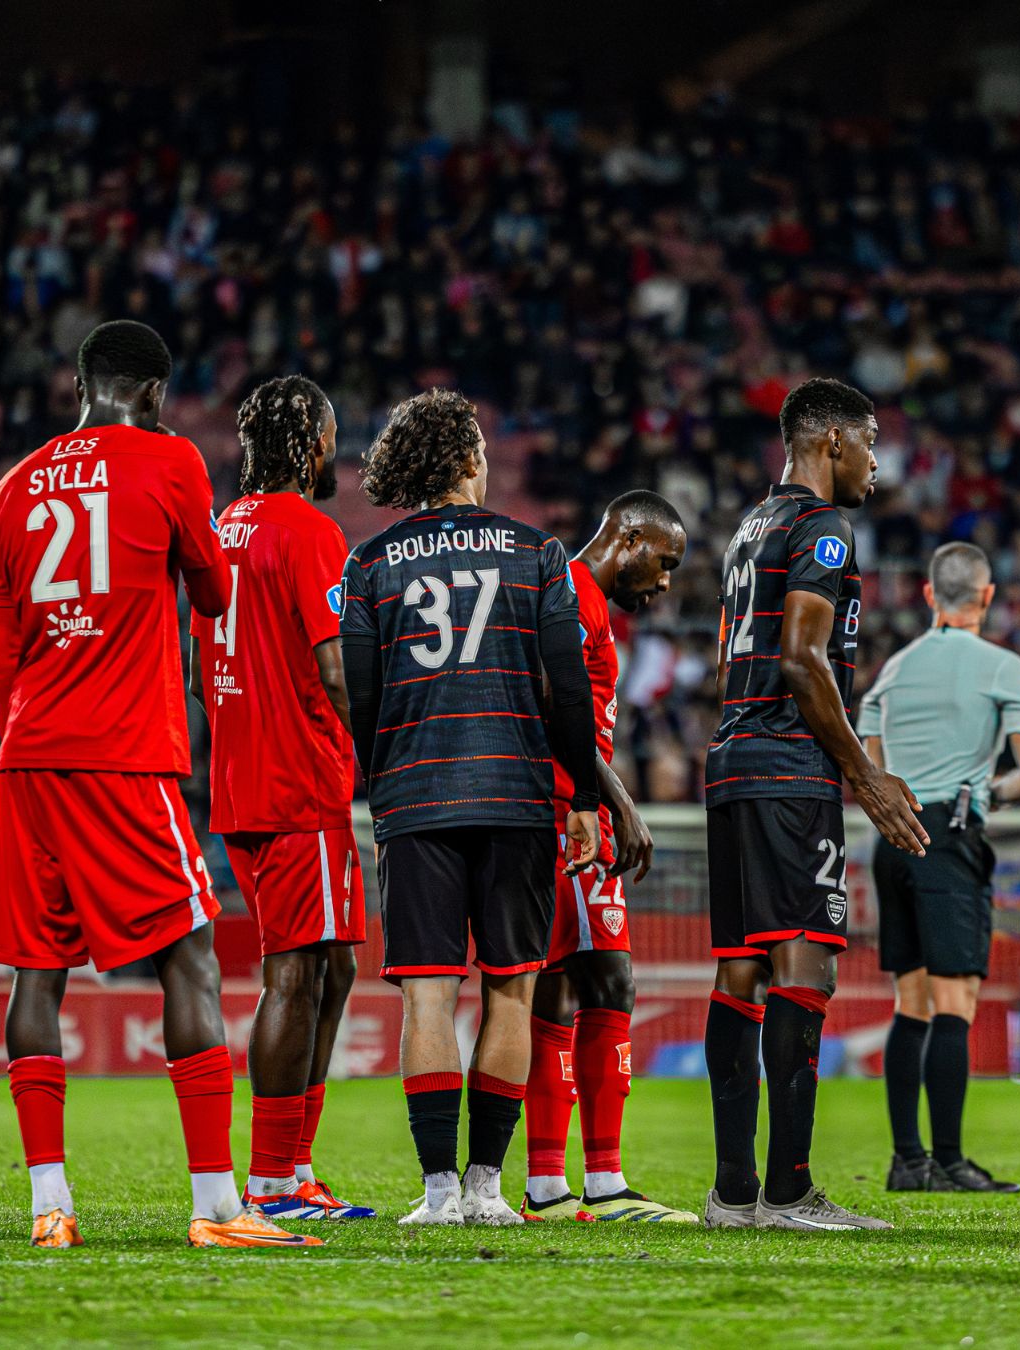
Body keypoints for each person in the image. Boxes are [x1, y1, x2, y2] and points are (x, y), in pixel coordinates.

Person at [0, 322, 308, 1251]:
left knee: (36, 971)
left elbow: (1, 657)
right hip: (124, 752)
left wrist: (32, 732)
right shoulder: (171, 463)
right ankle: (218, 1207)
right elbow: (213, 594)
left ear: (80, 386)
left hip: (29, 755)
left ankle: (50, 1206)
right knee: (191, 955)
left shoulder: (12, 486)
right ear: (155, 393)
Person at [338, 389, 604, 1228]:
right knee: (512, 992)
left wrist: (387, 779)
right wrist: (584, 794)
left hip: (415, 795)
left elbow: (360, 699)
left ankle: (438, 1194)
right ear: (463, 459)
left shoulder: (369, 563)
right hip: (517, 794)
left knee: (427, 995)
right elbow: (568, 688)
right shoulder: (538, 553)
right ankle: (488, 1187)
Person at [702, 377, 926, 1233]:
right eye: (870, 441)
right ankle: (789, 1193)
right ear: (832, 440)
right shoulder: (823, 527)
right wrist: (864, 776)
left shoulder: (753, 526)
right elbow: (803, 658)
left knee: (740, 969)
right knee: (806, 969)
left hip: (733, 760)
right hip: (790, 770)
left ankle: (733, 1194)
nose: (877, 461)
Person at [194, 376, 375, 1222]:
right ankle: (272, 1179)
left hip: (240, 782)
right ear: (313, 444)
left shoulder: (220, 528)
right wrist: (388, 758)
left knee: (329, 966)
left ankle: (293, 1168)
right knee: (296, 973)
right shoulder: (308, 530)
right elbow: (338, 669)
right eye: (332, 436)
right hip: (302, 783)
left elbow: (200, 671)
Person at [520, 490, 695, 1223]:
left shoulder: (577, 594)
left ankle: (558, 1185)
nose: (664, 582)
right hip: (570, 815)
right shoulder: (575, 595)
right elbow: (554, 705)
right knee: (603, 979)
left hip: (568, 807)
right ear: (629, 538)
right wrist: (617, 802)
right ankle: (591, 1183)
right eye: (664, 561)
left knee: (569, 982)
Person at [858, 541, 1020, 1195]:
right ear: (987, 596)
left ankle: (906, 1161)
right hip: (949, 833)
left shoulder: (893, 671)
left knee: (909, 1001)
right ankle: (947, 1161)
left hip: (894, 838)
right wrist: (990, 791)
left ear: (929, 595)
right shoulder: (1004, 668)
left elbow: (874, 768)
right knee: (954, 1001)